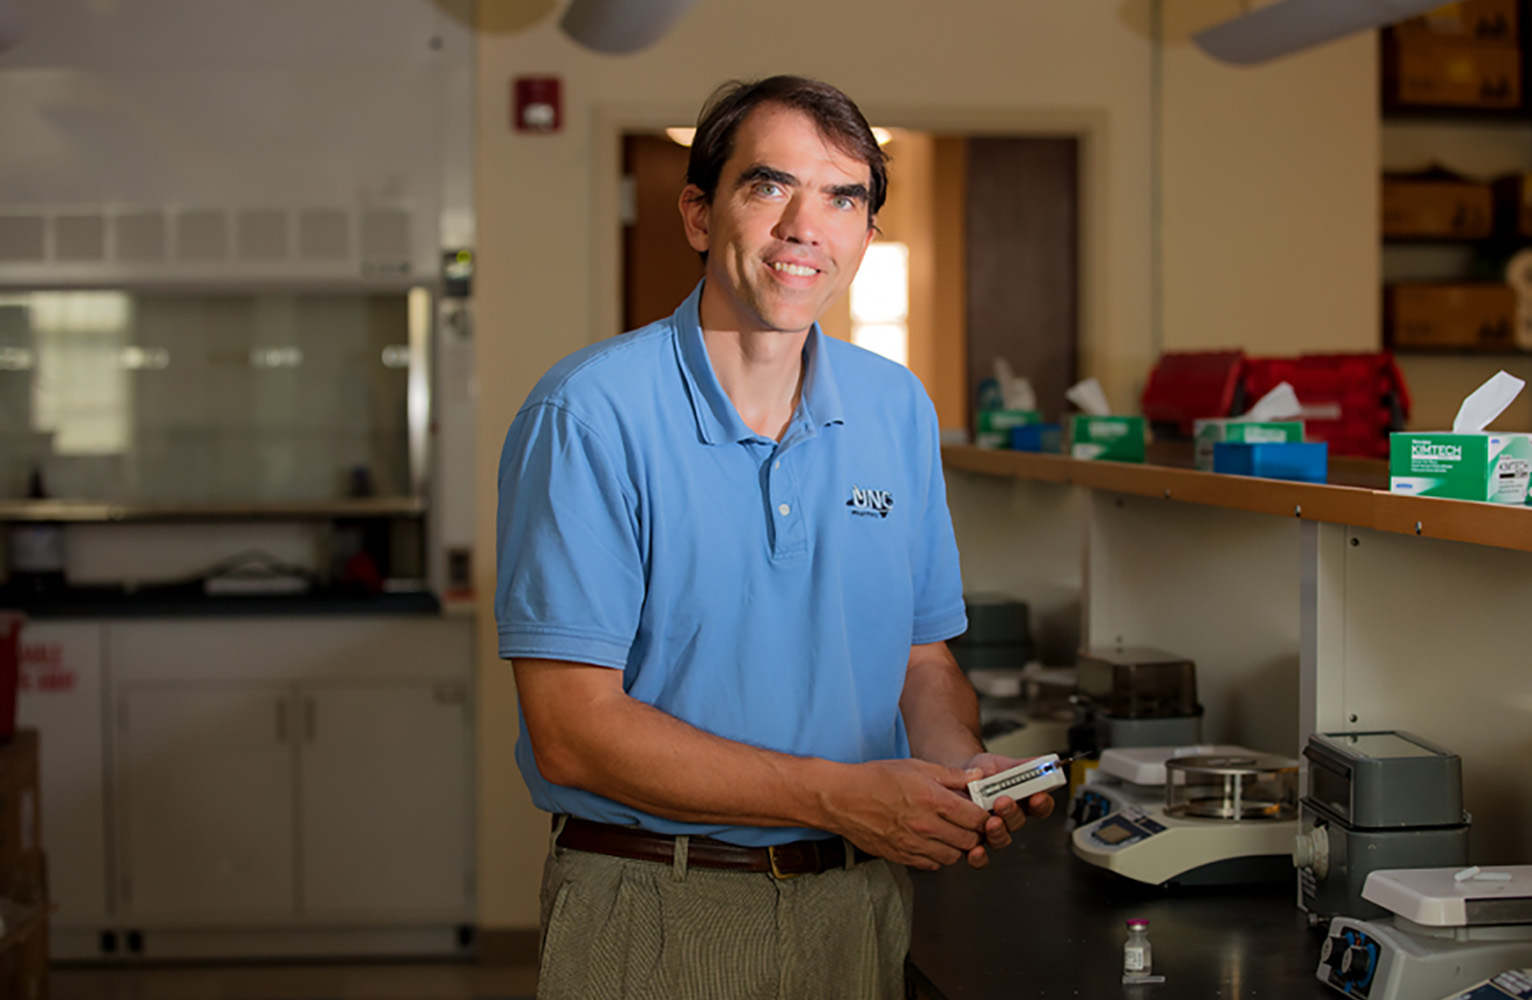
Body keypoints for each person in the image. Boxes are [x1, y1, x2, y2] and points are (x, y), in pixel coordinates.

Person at [496, 74, 1055, 1000]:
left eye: (844, 198)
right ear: (698, 215)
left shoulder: (896, 410)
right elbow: (573, 734)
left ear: (866, 236)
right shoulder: (590, 414)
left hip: (861, 899)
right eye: (769, 186)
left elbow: (921, 659)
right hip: (656, 904)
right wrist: (838, 794)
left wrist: (956, 769)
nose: (808, 226)